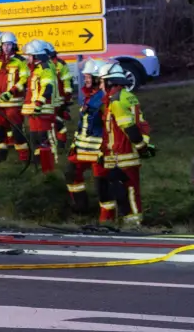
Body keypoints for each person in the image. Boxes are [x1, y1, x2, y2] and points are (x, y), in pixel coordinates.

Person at [98, 62, 155, 226]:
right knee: (123, 190)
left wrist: (140, 147)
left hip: (124, 154)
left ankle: (134, 225)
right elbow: (140, 123)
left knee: (128, 191)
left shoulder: (116, 101)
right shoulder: (126, 96)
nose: (101, 85)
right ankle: (127, 221)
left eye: (102, 81)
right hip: (120, 154)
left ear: (110, 82)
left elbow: (128, 127)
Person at [65, 60, 108, 213]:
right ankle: (80, 208)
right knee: (70, 173)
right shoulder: (89, 96)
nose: (86, 80)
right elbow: (82, 124)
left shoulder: (104, 99)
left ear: (98, 78)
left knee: (102, 186)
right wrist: (74, 145)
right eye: (86, 77)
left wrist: (106, 148)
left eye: (89, 77)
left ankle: (108, 219)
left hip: (99, 150)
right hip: (83, 148)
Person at [20, 40, 63, 174]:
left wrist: (39, 104)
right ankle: (38, 166)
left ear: (36, 56)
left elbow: (47, 88)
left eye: (30, 55)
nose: (27, 58)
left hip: (43, 111)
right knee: (34, 139)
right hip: (35, 112)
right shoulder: (37, 69)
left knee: (44, 140)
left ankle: (49, 169)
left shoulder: (45, 68)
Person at [0, 31, 29, 163]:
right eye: (4, 44)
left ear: (14, 45)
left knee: (17, 132)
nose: (6, 47)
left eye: (9, 44)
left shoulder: (21, 61)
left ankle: (24, 158)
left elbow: (24, 80)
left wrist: (11, 92)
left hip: (14, 103)